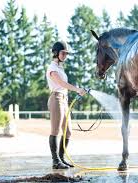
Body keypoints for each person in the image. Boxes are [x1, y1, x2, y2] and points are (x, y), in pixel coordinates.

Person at [46, 41, 86, 169]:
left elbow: (64, 87)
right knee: (55, 130)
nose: (65, 55)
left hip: (64, 99)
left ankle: (61, 158)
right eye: (63, 53)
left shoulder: (60, 68)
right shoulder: (52, 68)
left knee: (68, 132)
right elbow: (61, 84)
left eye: (66, 53)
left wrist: (75, 91)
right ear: (56, 53)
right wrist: (77, 89)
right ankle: (55, 160)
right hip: (56, 99)